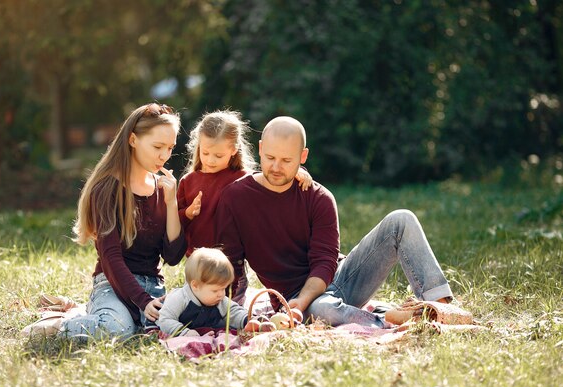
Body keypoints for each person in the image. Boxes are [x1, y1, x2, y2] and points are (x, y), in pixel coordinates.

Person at [215, 116, 454, 328]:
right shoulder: (235, 198)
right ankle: (389, 319)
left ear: (303, 156)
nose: (276, 167)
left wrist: (307, 298)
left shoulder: (319, 198)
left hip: (340, 278)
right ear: (260, 149)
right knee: (323, 310)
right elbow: (231, 263)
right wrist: (227, 312)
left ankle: (442, 307)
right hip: (294, 300)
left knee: (401, 219)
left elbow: (324, 262)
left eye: (286, 160)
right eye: (270, 157)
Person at [61, 103, 187, 341]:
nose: (164, 156)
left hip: (153, 286)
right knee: (117, 330)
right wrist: (143, 301)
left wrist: (172, 205)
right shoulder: (107, 189)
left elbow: (172, 257)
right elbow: (111, 258)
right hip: (113, 286)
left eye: (170, 148)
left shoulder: (162, 189)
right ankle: (60, 327)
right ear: (132, 140)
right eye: (157, 146)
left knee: (189, 323)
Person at [177, 110, 312, 300]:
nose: (210, 160)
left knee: (231, 315)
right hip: (197, 266)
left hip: (232, 267)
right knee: (195, 311)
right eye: (205, 152)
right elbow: (175, 223)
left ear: (233, 150)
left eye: (218, 155)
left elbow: (271, 180)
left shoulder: (242, 180)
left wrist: (300, 171)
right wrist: (188, 213)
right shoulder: (188, 181)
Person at [156, 247, 248, 337]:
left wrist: (246, 319)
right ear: (195, 286)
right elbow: (165, 319)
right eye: (215, 290)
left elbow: (233, 312)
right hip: (185, 331)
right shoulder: (179, 298)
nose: (221, 294)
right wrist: (183, 332)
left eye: (223, 288)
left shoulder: (219, 299)